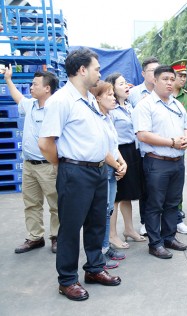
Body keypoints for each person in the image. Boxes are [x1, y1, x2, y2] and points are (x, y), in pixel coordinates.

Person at [38, 48, 121, 301]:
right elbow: (45, 143)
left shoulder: (87, 99)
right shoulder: (61, 101)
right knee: (71, 229)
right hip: (75, 172)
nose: (99, 73)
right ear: (82, 69)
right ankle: (67, 280)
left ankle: (94, 269)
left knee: (96, 224)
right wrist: (63, 165)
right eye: (96, 68)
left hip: (97, 170)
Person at [132, 65, 187, 259]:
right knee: (155, 204)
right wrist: (172, 142)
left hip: (176, 162)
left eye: (172, 79)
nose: (169, 83)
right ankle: (155, 243)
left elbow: (186, 126)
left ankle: (169, 237)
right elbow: (143, 135)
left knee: (173, 203)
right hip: (157, 162)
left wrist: (186, 138)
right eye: (165, 79)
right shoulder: (145, 105)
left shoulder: (177, 104)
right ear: (154, 81)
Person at [2, 65, 60, 254]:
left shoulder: (56, 109)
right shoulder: (30, 105)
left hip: (48, 166)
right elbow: (17, 97)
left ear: (47, 88)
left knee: (56, 204)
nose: (31, 87)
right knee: (31, 203)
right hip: (29, 165)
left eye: (35, 84)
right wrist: (8, 79)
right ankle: (35, 237)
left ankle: (57, 236)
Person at [105, 73, 145, 248]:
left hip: (132, 151)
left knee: (128, 194)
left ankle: (129, 229)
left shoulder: (128, 106)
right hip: (117, 153)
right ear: (112, 88)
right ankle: (112, 235)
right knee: (115, 197)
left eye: (126, 83)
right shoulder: (111, 110)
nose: (126, 86)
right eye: (121, 84)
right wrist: (116, 160)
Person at [90, 81, 128, 269]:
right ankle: (99, 254)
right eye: (109, 95)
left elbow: (114, 146)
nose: (114, 98)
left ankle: (105, 248)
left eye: (114, 94)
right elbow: (102, 150)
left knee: (108, 211)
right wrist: (117, 165)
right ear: (97, 97)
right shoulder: (95, 119)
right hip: (103, 169)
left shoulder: (108, 117)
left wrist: (123, 163)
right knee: (100, 213)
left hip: (112, 167)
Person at [128, 57, 160, 236]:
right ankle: (144, 221)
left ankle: (165, 220)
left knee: (160, 187)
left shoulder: (164, 92)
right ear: (143, 73)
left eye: (158, 70)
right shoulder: (134, 94)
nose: (155, 74)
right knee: (145, 187)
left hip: (161, 149)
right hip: (141, 149)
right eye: (151, 70)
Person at [170, 59, 187, 234]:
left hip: (180, 146)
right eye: (180, 75)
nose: (183, 79)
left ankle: (177, 211)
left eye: (185, 76)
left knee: (177, 181)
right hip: (162, 146)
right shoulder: (162, 94)